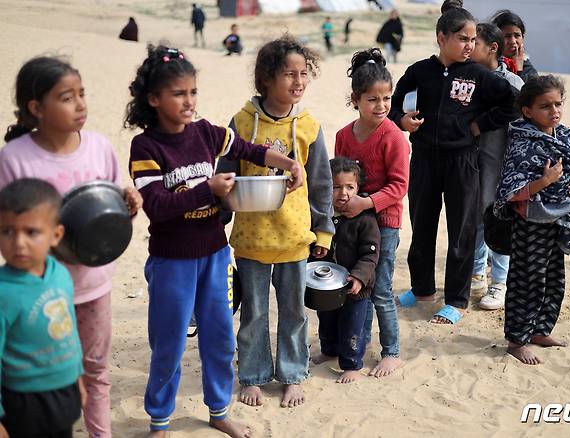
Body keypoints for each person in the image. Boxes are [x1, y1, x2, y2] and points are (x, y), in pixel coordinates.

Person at [125, 45, 303, 437]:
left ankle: (219, 411)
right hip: (172, 262)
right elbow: (157, 206)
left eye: (192, 92)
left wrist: (288, 163)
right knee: (169, 343)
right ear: (154, 99)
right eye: (178, 94)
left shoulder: (206, 132)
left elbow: (248, 149)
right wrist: (208, 189)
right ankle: (159, 420)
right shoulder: (146, 148)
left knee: (220, 338)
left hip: (215, 257)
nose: (188, 101)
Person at [0, 55, 142, 438]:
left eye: (82, 94)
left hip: (93, 284)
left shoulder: (97, 147)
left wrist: (129, 204)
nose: (80, 104)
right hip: (37, 291)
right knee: (40, 371)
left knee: (95, 370)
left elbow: (111, 214)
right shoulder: (15, 159)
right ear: (36, 108)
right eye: (66, 97)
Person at [217, 35, 334, 408]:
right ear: (266, 78)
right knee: (252, 312)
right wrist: (217, 219)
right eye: (289, 74)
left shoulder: (309, 126)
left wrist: (323, 231)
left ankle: (292, 373)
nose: (298, 82)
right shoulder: (241, 122)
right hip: (251, 239)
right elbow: (226, 174)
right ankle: (252, 375)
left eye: (303, 74)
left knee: (294, 313)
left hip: (294, 237)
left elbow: (321, 183)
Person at [389, 8, 517, 324]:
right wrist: (402, 121)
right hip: (423, 160)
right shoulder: (419, 71)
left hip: (462, 161)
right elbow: (393, 108)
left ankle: (457, 300)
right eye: (462, 39)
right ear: (442, 37)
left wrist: (480, 124)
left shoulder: (479, 75)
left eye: (473, 40)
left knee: (461, 230)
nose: (469, 45)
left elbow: (514, 102)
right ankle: (421, 289)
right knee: (422, 226)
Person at [493, 75, 570, 365]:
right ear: (527, 111)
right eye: (545, 106)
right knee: (527, 280)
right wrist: (544, 181)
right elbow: (510, 189)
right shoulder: (522, 140)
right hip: (531, 222)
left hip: (561, 219)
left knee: (554, 279)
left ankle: (540, 330)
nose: (553, 111)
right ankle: (517, 340)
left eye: (557, 104)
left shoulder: (563, 134)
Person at [334, 48, 409, 376]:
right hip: (352, 222)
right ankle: (356, 346)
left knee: (379, 287)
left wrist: (366, 202)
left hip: (385, 222)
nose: (381, 106)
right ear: (356, 99)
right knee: (355, 285)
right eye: (372, 100)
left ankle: (391, 350)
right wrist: (342, 205)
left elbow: (399, 186)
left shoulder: (393, 136)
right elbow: (337, 177)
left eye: (387, 98)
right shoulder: (342, 136)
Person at [0, 179, 84, 438]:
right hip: (23, 401)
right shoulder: (4, 292)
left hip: (64, 391)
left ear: (56, 235)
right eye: (7, 231)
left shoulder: (60, 273)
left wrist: (78, 377)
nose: (19, 243)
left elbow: (69, 328)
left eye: (31, 232)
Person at [468, 23, 523, 310]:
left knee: (498, 220)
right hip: (469, 167)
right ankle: (476, 275)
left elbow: (523, 133)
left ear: (492, 47)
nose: (468, 46)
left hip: (499, 167)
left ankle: (499, 282)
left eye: (474, 42)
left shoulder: (513, 85)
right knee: (473, 220)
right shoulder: (464, 78)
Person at [311, 157, 380, 384]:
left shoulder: (365, 219)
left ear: (358, 189)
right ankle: (329, 350)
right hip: (327, 287)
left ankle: (351, 364)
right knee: (327, 320)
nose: (343, 193)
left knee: (352, 327)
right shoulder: (322, 216)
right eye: (336, 187)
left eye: (350, 187)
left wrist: (359, 277)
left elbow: (370, 254)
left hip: (355, 288)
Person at [491, 9, 538, 81]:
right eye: (507, 36)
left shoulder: (529, 72)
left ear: (523, 37)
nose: (513, 41)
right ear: (496, 38)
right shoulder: (489, 65)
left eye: (517, 35)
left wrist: (518, 71)